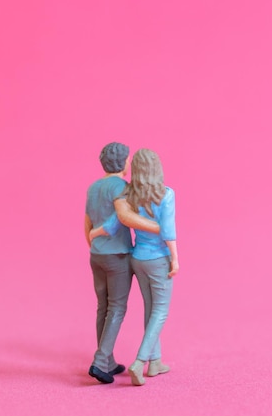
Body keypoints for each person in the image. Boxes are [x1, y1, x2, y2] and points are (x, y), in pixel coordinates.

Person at [91, 148, 179, 386]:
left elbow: (115, 218)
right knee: (159, 311)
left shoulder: (129, 193)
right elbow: (167, 230)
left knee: (148, 309)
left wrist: (96, 233)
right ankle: (139, 362)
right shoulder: (166, 194)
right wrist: (175, 257)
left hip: (136, 258)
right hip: (157, 258)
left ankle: (155, 361)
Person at [84, 143, 159, 384]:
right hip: (117, 255)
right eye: (127, 159)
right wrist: (159, 228)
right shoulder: (121, 187)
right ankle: (100, 361)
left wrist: (94, 246)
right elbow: (123, 217)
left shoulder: (93, 187)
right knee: (116, 308)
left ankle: (108, 360)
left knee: (102, 307)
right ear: (123, 162)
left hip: (97, 255)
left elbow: (87, 223)